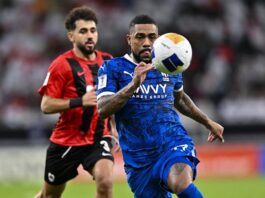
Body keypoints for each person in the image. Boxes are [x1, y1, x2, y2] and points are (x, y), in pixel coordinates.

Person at [96, 15, 224, 198]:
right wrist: (133, 85)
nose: (147, 42)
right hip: (139, 160)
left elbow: (179, 98)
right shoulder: (112, 68)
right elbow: (103, 109)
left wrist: (208, 122)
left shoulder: (168, 65)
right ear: (129, 39)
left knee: (181, 183)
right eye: (140, 37)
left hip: (172, 143)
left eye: (152, 37)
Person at [35, 6, 117, 198]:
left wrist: (114, 125)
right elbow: (46, 105)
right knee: (49, 195)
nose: (89, 36)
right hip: (66, 141)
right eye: (83, 31)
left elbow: (113, 98)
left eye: (93, 30)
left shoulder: (108, 61)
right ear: (71, 36)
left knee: (105, 183)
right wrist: (79, 101)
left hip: (98, 138)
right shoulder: (61, 65)